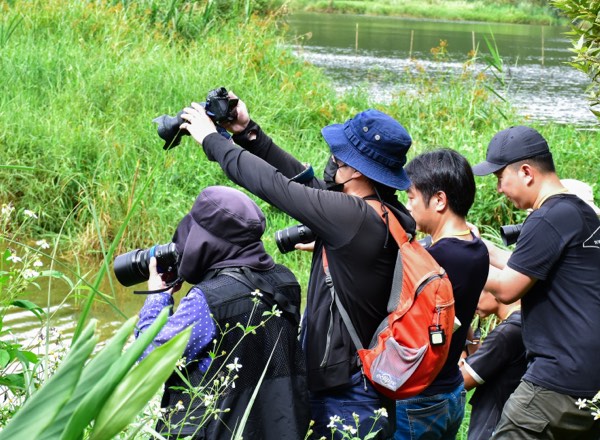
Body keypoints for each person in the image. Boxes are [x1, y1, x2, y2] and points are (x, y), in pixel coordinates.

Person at [180, 96, 418, 439]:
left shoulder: (352, 218)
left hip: (347, 395)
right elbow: (307, 188)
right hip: (367, 386)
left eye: (339, 155)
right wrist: (249, 133)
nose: (332, 160)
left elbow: (278, 188)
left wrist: (212, 139)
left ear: (356, 170)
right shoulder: (387, 213)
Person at [135, 186, 310, 439]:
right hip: (276, 427)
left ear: (203, 239)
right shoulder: (285, 280)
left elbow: (149, 356)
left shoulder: (208, 299)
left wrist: (156, 298)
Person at [471, 125, 600, 439]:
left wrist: (458, 258)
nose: (499, 188)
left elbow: (506, 289)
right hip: (590, 377)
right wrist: (483, 249)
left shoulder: (545, 218)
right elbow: (529, 265)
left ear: (526, 171)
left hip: (557, 378)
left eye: (501, 177)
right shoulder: (580, 213)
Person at [394, 148, 489, 439]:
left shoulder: (437, 258)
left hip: (420, 396)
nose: (408, 206)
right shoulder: (477, 248)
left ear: (438, 200)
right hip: (450, 389)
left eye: (411, 197)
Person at [460, 291, 526, 440]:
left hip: (492, 423)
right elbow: (484, 362)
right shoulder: (525, 323)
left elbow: (462, 381)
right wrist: (469, 334)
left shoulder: (507, 332)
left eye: (480, 289)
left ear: (496, 291)